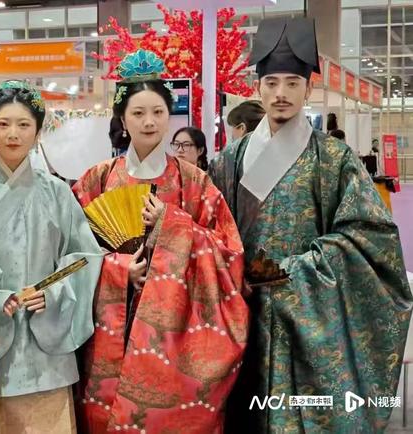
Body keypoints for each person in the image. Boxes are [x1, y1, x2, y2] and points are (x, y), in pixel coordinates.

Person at [208, 17, 412, 433]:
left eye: (292, 83)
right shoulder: (229, 160)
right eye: (271, 83)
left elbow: (369, 239)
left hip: (306, 318)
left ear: (309, 88)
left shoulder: (335, 159)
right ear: (258, 87)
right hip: (241, 313)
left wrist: (295, 271)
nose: (281, 94)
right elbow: (211, 232)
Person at [73, 49, 249, 433]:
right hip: (110, 322)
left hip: (175, 328)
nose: (149, 121)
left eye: (158, 111)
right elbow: (71, 251)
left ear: (170, 116)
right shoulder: (97, 179)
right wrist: (117, 269)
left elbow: (229, 252)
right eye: (138, 113)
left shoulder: (194, 181)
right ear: (123, 120)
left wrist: (173, 225)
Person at [0, 81, 104, 433]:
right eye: (3, 124)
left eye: (24, 124)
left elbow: (84, 256)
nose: (13, 133)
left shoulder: (57, 192)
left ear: (38, 131)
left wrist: (55, 293)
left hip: (47, 347)